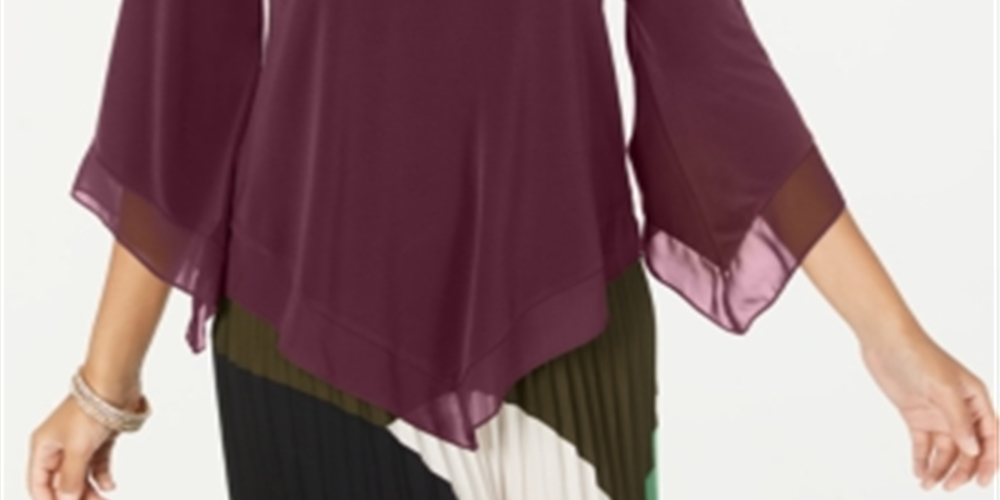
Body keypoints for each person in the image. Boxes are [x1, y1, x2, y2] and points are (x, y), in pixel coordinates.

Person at [27, 0, 998, 498]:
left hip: (566, 336)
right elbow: (179, 83)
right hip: (306, 345)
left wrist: (892, 339)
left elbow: (708, 59)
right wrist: (103, 385)